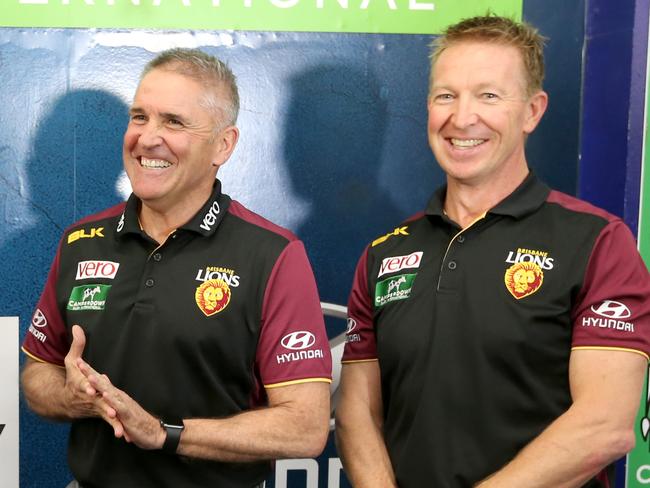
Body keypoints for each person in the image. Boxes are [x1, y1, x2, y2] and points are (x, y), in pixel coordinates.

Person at [335, 15, 650, 488]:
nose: (462, 118)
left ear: (532, 111)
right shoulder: (384, 254)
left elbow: (603, 427)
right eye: (446, 95)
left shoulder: (597, 242)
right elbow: (358, 411)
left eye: (488, 95)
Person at [21, 48, 331, 488]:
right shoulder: (79, 241)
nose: (148, 138)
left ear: (223, 145)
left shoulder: (272, 253)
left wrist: (164, 434)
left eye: (174, 122)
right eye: (139, 117)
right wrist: (73, 398)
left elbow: (305, 426)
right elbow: (38, 373)